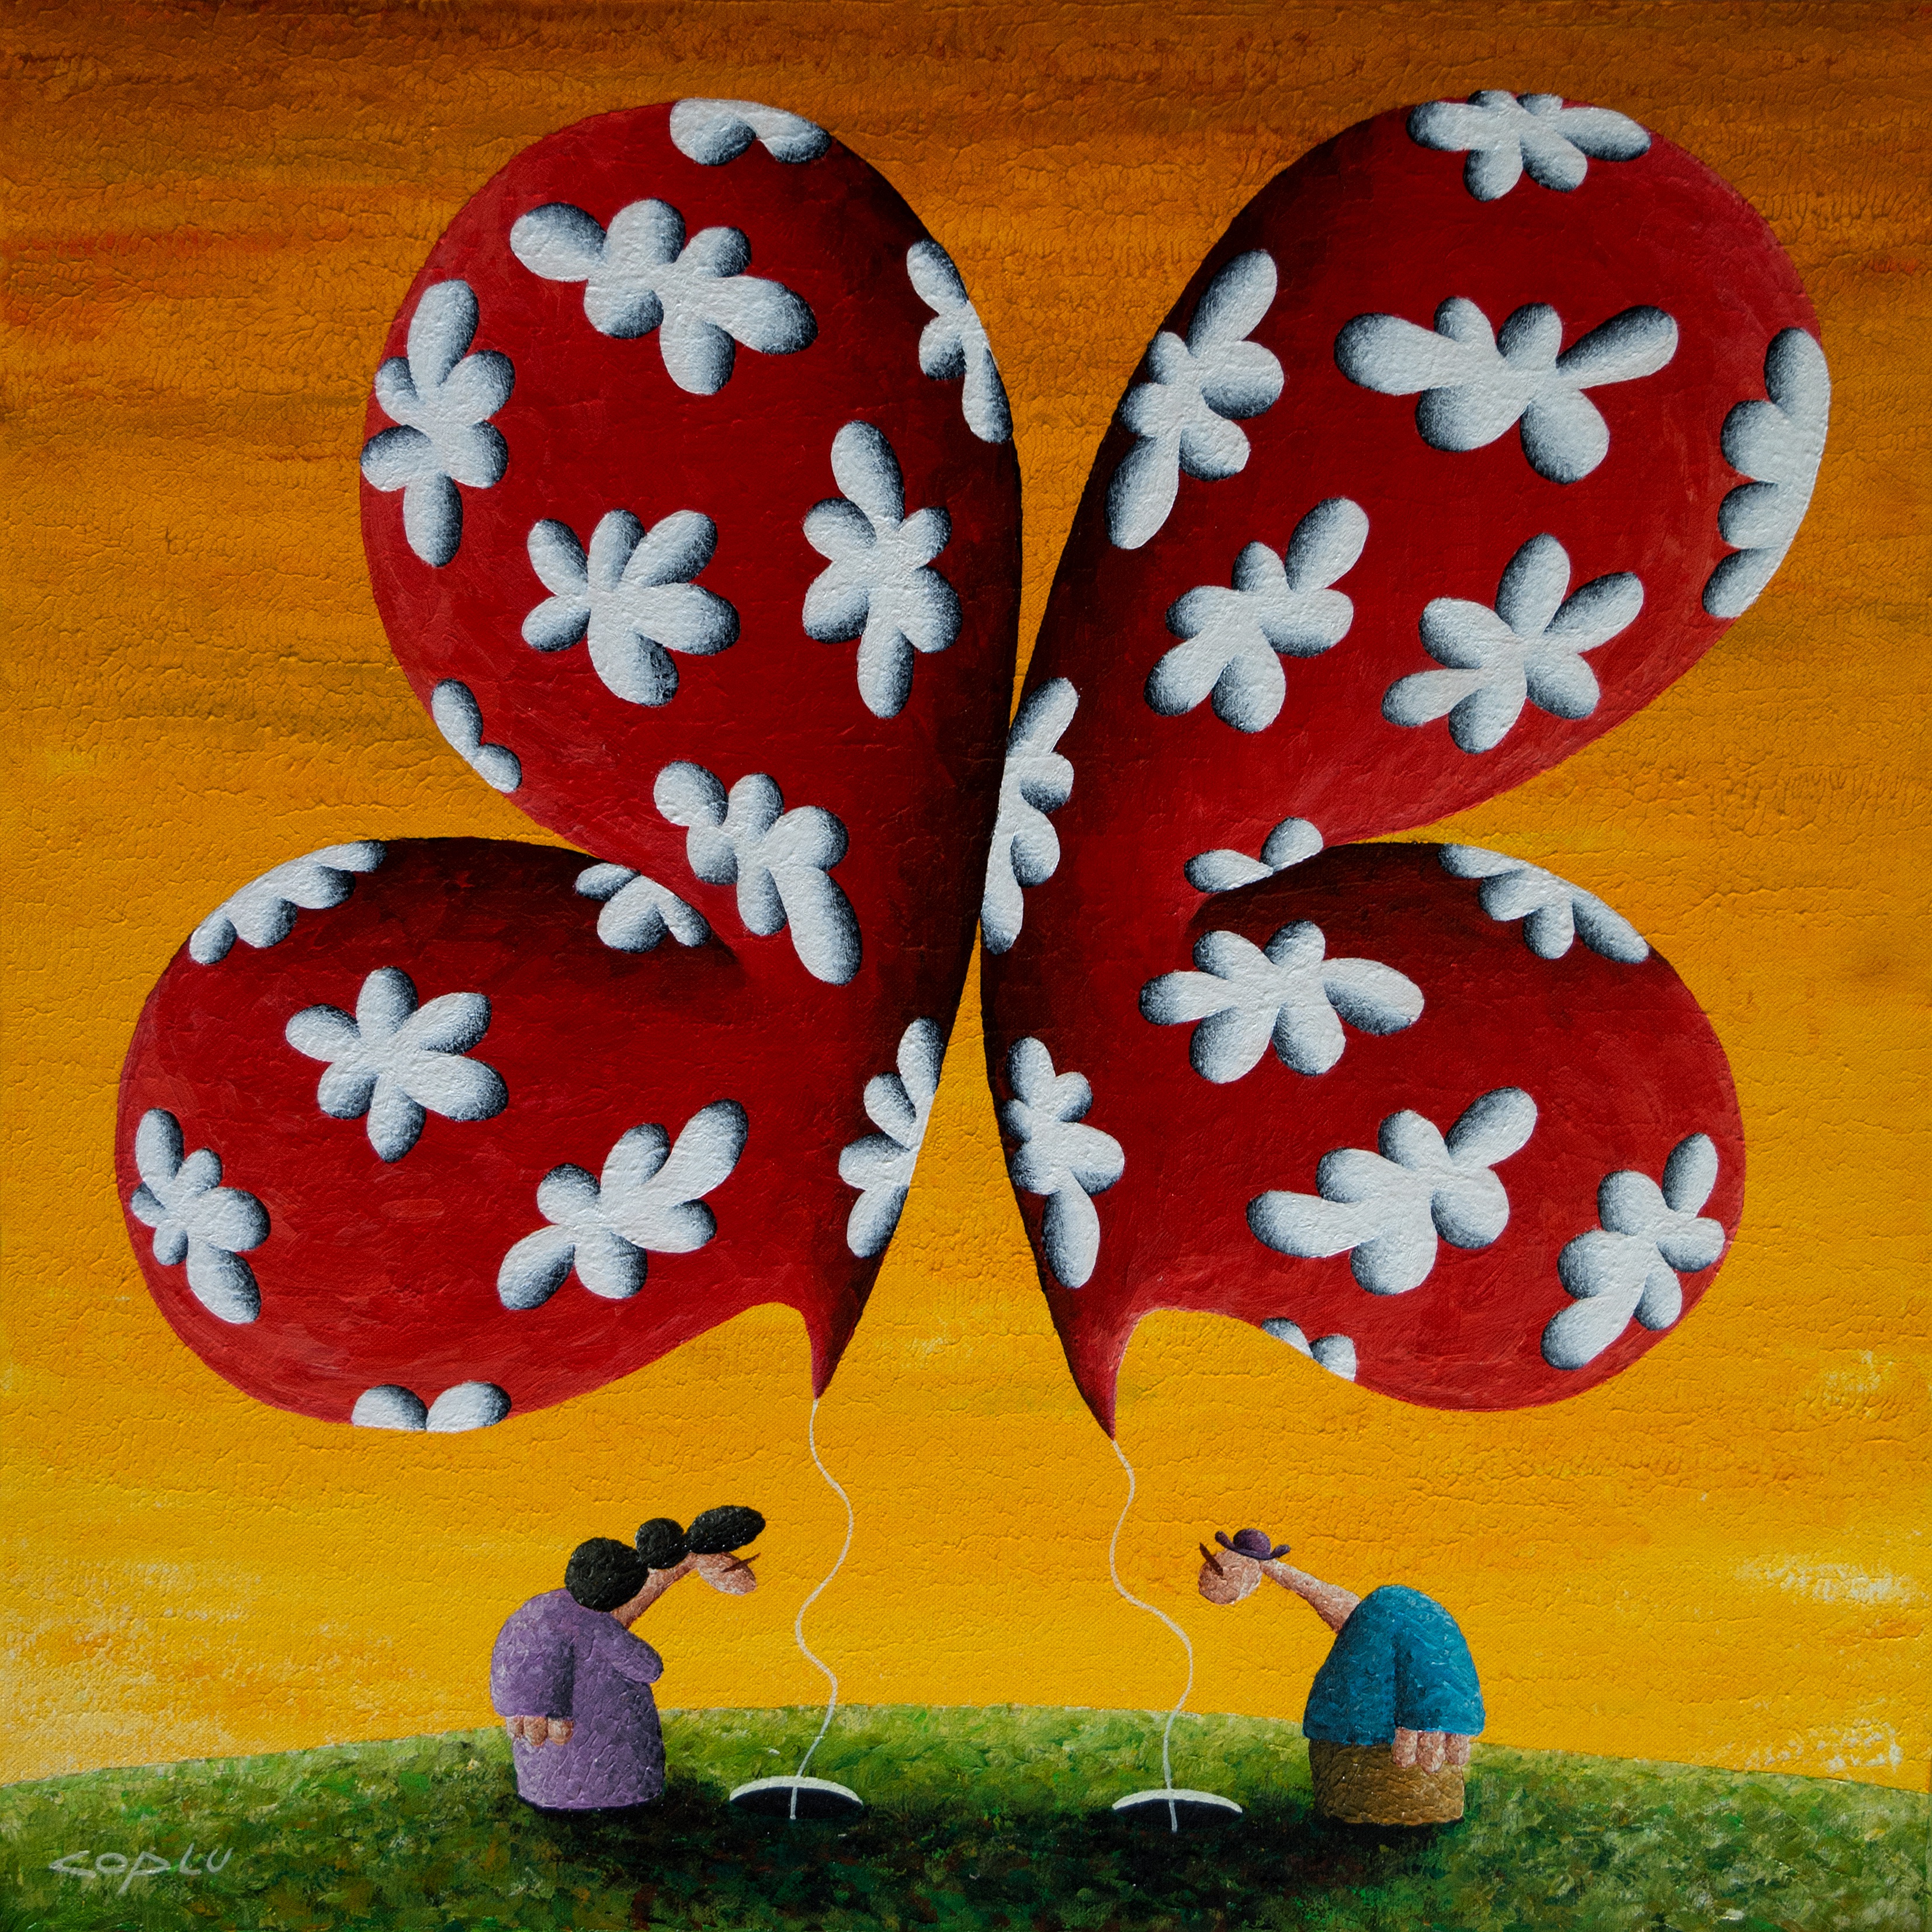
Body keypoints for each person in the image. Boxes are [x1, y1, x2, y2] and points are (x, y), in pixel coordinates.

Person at [1197, 1527, 1483, 1825]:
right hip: (1345, 1743)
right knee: (1380, 1617)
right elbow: (1345, 1611)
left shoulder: (1383, 1615)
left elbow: (1346, 1610)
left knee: (1384, 1615)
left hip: (1362, 1742)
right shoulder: (1375, 1617)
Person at [492, 1506, 762, 1820]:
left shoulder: (548, 1607)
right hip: (610, 1782)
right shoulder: (598, 1626)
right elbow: (648, 1667)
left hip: (540, 1782)